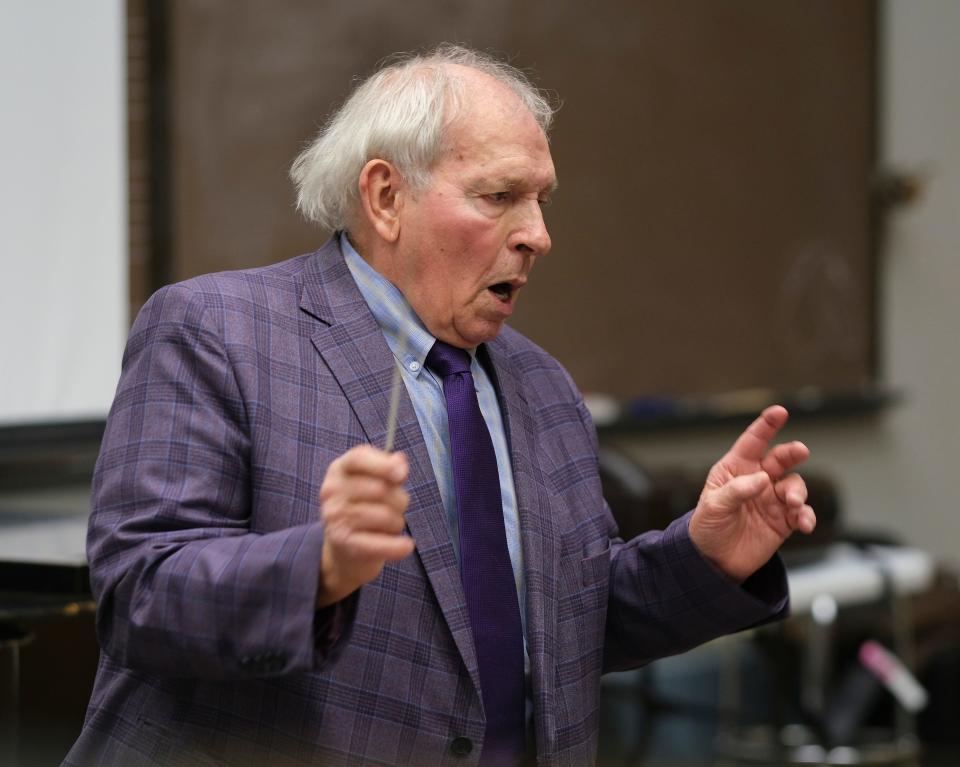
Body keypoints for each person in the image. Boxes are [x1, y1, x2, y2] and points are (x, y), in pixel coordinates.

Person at [66, 44, 815, 767]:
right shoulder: (216, 331)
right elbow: (140, 594)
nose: (539, 236)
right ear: (387, 197)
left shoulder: (543, 386)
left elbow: (563, 624)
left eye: (542, 200)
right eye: (500, 197)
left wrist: (707, 559)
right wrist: (317, 568)